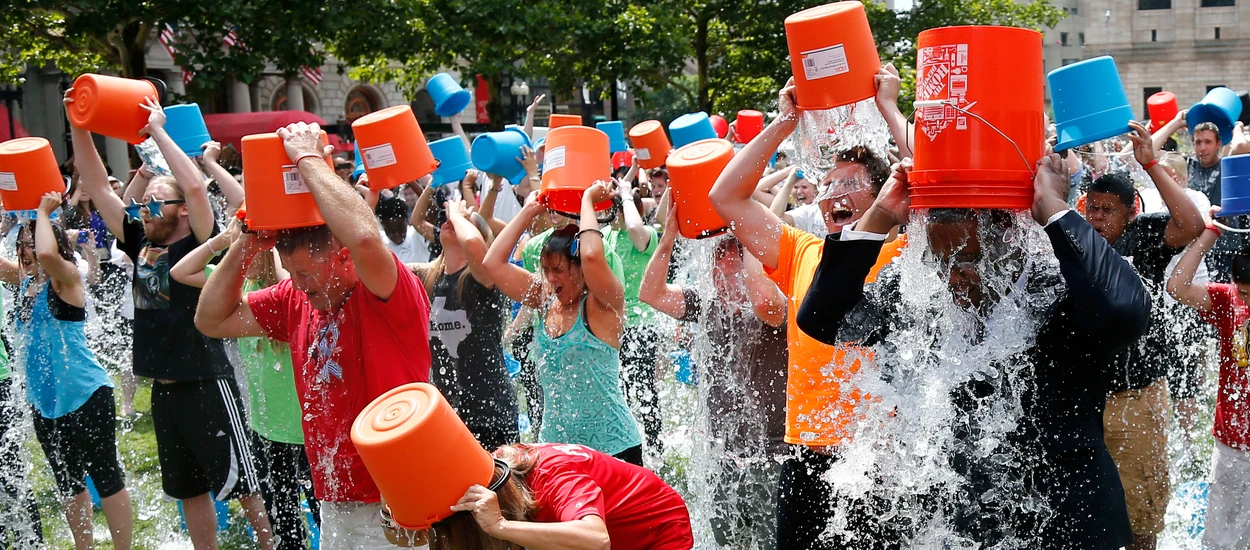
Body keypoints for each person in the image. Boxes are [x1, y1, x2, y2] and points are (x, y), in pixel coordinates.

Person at [796, 152, 1148, 548]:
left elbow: (1123, 309)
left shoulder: (1056, 292)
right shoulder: (922, 299)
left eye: (966, 261)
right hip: (958, 530)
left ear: (1009, 243)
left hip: (1065, 525)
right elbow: (822, 320)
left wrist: (1054, 208)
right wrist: (878, 216)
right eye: (939, 261)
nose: (952, 279)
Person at [195, 121, 432, 549]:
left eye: (306, 272)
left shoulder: (384, 288)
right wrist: (247, 243)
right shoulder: (294, 297)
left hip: (397, 500)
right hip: (335, 497)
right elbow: (211, 319)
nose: (299, 284)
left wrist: (307, 157)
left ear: (344, 258)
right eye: (294, 273)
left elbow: (363, 234)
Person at [67, 91, 276, 550]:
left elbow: (198, 187)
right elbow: (100, 187)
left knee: (245, 487)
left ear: (182, 210)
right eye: (144, 204)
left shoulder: (199, 238)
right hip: (163, 390)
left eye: (156, 202)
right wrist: (78, 124)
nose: (144, 209)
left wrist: (158, 130)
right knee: (189, 491)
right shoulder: (142, 242)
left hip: (207, 380)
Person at [707, 77, 902, 549]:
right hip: (807, 448)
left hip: (879, 456)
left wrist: (891, 110)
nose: (834, 193)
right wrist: (784, 123)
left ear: (884, 195)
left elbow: (942, 185)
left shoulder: (906, 253)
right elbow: (725, 198)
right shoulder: (801, 249)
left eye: (851, 183)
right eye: (828, 183)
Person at [1083, 122, 1204, 550]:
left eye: (1107, 210)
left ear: (1130, 211)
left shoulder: (1146, 236)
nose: (1097, 218)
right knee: (1087, 510)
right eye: (1092, 209)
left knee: (1141, 513)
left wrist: (1150, 163)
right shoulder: (1074, 242)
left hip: (1137, 397)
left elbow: (1191, 224)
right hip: (1086, 395)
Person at [639, 202, 787, 548]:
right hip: (722, 456)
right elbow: (651, 293)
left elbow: (763, 296)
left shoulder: (776, 306)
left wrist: (752, 236)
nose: (724, 276)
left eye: (734, 267)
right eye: (717, 265)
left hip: (773, 456)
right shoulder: (706, 304)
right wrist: (669, 238)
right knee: (726, 543)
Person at [171, 220, 320, 550]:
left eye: (247, 242)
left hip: (305, 431)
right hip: (267, 430)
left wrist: (268, 243)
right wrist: (225, 240)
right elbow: (180, 272)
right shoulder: (236, 290)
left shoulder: (283, 287)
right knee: (285, 526)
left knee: (325, 517)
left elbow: (292, 290)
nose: (239, 249)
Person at [0, 192, 133, 550]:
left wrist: (43, 210)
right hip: (45, 401)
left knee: (106, 477)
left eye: (32, 242)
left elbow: (46, 254)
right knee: (67, 481)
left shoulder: (68, 277)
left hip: (86, 393)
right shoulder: (26, 281)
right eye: (22, 245)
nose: (27, 251)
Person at [483, 185, 645, 466]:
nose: (551, 278)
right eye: (546, 270)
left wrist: (586, 201)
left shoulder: (604, 304)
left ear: (581, 268)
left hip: (613, 449)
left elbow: (593, 255)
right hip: (557, 448)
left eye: (559, 270)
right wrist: (530, 209)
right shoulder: (544, 298)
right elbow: (493, 263)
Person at [391, 443, 692, 549]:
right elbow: (422, 537)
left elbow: (597, 540)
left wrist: (500, 527)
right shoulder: (486, 473)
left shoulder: (553, 478)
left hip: (658, 532)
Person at [1166, 219, 1250, 550]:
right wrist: (1208, 235)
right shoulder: (1228, 302)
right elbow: (1178, 287)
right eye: (1244, 292)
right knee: (1222, 535)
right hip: (1232, 441)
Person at [409, 199, 519, 450]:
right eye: (450, 218)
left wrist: (457, 215)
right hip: (448, 416)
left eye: (467, 220)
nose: (452, 219)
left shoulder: (484, 278)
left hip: (491, 414)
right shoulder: (427, 277)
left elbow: (472, 244)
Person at [606, 178, 663, 456]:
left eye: (619, 206)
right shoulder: (606, 236)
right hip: (611, 324)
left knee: (642, 388)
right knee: (618, 390)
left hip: (641, 324)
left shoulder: (648, 234)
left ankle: (655, 447)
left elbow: (633, 227)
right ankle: (626, 444)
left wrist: (627, 195)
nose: (614, 209)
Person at [377, 196, 430, 264]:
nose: (397, 234)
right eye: (391, 231)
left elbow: (429, 205)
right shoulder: (379, 241)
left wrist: (426, 189)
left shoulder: (417, 233)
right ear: (383, 225)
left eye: (400, 229)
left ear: (407, 221)